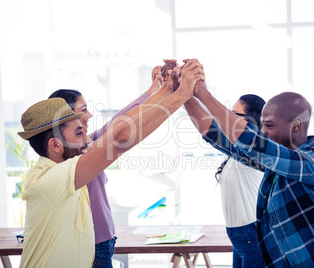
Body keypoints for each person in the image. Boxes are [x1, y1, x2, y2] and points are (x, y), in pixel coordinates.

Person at [18, 59, 204, 267]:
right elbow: (119, 137)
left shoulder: (67, 162)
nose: (87, 138)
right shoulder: (50, 180)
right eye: (79, 132)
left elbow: (117, 127)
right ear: (55, 145)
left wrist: (165, 89)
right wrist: (181, 93)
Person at [189, 83, 314, 267]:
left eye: (269, 125)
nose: (264, 132)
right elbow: (216, 136)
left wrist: (203, 93)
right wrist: (186, 94)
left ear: (296, 125)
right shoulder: (276, 166)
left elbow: (255, 143)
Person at [47, 66, 163, 267]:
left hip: (104, 241)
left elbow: (119, 121)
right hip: (91, 246)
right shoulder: (71, 156)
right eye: (83, 110)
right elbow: (119, 133)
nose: (89, 114)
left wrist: (154, 90)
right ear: (65, 117)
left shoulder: (87, 144)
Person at [184, 93, 265, 268]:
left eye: (234, 115)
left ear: (252, 122)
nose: (227, 118)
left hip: (253, 235)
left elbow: (209, 130)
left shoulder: (255, 152)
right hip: (238, 236)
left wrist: (185, 93)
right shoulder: (234, 155)